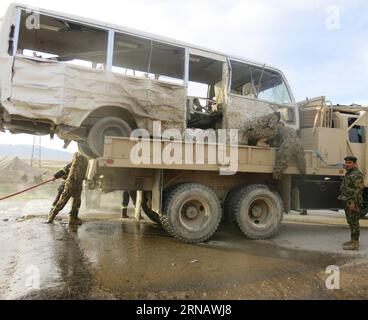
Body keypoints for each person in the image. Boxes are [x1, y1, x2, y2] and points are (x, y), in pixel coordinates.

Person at [47, 153, 89, 225]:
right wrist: (55, 176)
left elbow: (85, 175)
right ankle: (52, 216)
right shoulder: (72, 165)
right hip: (69, 185)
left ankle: (73, 218)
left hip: (77, 185)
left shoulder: (83, 166)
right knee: (63, 201)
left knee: (76, 202)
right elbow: (63, 171)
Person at [338, 156, 364, 251]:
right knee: (350, 221)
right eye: (346, 162)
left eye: (349, 163)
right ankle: (352, 240)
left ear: (354, 164)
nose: (347, 164)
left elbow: (359, 189)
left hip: (353, 201)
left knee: (354, 222)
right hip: (348, 200)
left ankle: (355, 242)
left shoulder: (357, 174)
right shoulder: (349, 173)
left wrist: (353, 202)